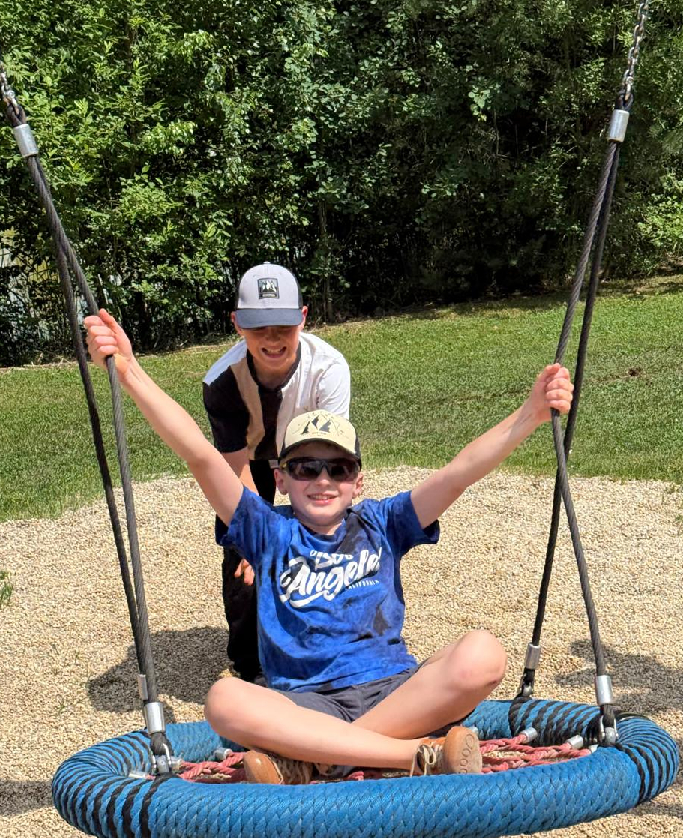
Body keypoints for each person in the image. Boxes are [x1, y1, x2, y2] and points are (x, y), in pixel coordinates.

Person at [84, 309, 574, 785]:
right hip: (305, 701)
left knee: (484, 653)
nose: (322, 480)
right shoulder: (267, 529)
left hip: (393, 692)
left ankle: (317, 761)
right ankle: (408, 754)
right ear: (280, 478)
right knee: (225, 700)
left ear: (357, 480)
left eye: (337, 469)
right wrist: (129, 372)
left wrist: (530, 414)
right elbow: (199, 454)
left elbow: (459, 473)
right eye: (305, 468)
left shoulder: (383, 522)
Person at [202, 263, 350, 683]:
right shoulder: (221, 381)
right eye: (258, 327)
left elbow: (328, 458)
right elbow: (233, 467)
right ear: (237, 324)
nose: (271, 338)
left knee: (323, 539)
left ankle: (324, 646)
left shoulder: (329, 369)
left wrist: (311, 525)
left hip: (311, 456)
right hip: (248, 461)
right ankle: (248, 664)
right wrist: (258, 538)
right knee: (244, 548)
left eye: (283, 325)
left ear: (303, 317)